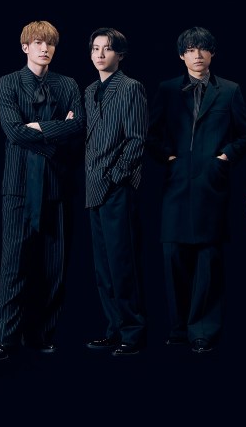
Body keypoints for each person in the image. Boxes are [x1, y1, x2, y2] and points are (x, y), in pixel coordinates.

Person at [0, 20, 85, 362]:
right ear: (25, 47)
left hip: (58, 184)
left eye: (50, 43)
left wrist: (39, 127)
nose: (45, 48)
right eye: (38, 43)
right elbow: (13, 132)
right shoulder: (8, 82)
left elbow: (79, 126)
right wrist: (58, 132)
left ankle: (41, 335)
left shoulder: (68, 84)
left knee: (54, 267)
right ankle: (5, 340)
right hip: (19, 186)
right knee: (13, 266)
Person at [146, 27, 246, 354]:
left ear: (212, 53)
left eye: (203, 49)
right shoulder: (167, 89)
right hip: (176, 185)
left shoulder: (230, 90)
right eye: (191, 49)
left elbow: (244, 135)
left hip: (211, 185)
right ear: (182, 55)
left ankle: (203, 330)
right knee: (173, 256)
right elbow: (151, 133)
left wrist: (224, 158)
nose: (197, 55)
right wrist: (168, 157)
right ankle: (179, 328)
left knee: (208, 259)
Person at [83, 27, 148, 357]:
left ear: (119, 54)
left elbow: (137, 138)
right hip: (92, 186)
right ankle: (113, 328)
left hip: (117, 187)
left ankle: (132, 332)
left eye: (107, 49)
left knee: (123, 263)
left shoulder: (130, 87)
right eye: (95, 48)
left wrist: (116, 176)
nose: (100, 54)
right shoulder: (89, 90)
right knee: (103, 267)